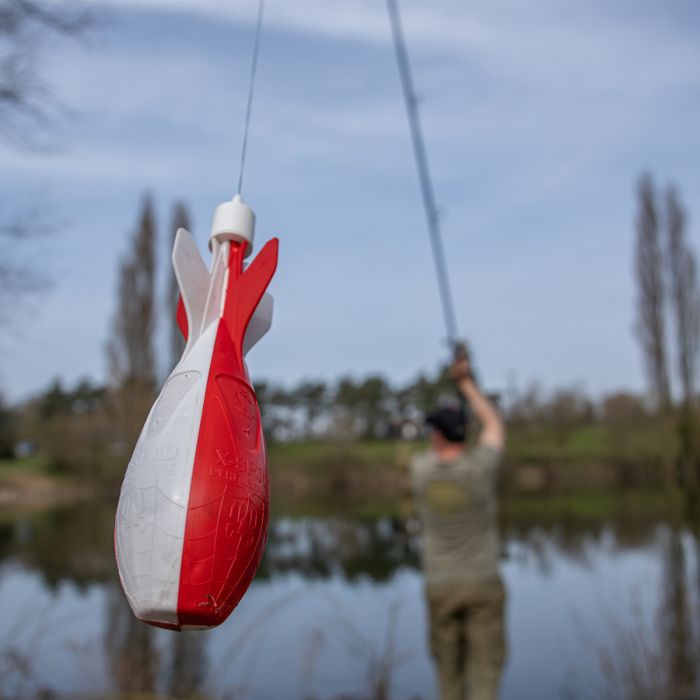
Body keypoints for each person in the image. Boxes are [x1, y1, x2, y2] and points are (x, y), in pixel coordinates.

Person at [409, 348, 507, 700]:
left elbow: (434, 448)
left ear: (437, 436)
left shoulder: (421, 471)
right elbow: (494, 426)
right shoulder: (480, 469)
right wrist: (466, 383)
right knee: (485, 676)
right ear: (464, 435)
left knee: (448, 677)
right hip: (482, 583)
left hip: (440, 586)